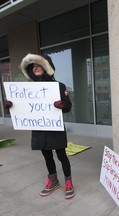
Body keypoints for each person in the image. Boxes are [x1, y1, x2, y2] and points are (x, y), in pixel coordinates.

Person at [4, 53, 75, 199]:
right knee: (47, 155)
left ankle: (68, 181)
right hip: (39, 128)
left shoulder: (59, 86)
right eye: (33, 66)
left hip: (54, 127)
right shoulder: (28, 89)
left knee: (61, 155)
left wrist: (63, 105)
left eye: (38, 65)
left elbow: (68, 106)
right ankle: (53, 181)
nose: (35, 68)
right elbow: (22, 108)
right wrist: (10, 106)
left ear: (46, 67)